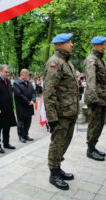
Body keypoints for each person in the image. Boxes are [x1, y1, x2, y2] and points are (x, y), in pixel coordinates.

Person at [43, 33, 79, 190]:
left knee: (65, 142)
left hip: (70, 112)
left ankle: (57, 167)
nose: (71, 45)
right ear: (58, 45)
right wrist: (52, 118)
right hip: (61, 114)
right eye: (68, 42)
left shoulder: (67, 63)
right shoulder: (55, 63)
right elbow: (49, 92)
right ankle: (53, 173)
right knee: (57, 143)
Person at [84, 36, 106, 161]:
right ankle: (90, 150)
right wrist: (93, 99)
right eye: (101, 45)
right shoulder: (91, 60)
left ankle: (93, 146)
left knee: (100, 125)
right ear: (94, 46)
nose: (103, 46)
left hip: (102, 99)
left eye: (104, 44)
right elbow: (91, 81)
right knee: (94, 125)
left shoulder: (102, 61)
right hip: (95, 100)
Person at [0, 64, 17, 154]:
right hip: (0, 109)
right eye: (5, 72)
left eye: (8, 72)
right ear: (0, 71)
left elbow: (9, 94)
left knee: (7, 127)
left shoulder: (8, 81)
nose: (7, 74)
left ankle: (6, 143)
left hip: (8, 109)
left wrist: (12, 107)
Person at [13, 69, 36, 143]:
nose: (27, 77)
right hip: (21, 106)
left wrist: (33, 100)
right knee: (21, 122)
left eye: (27, 75)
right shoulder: (16, 83)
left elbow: (33, 92)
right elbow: (19, 94)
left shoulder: (29, 82)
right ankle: (21, 136)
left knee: (28, 121)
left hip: (29, 106)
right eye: (25, 75)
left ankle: (26, 134)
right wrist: (28, 101)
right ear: (21, 75)